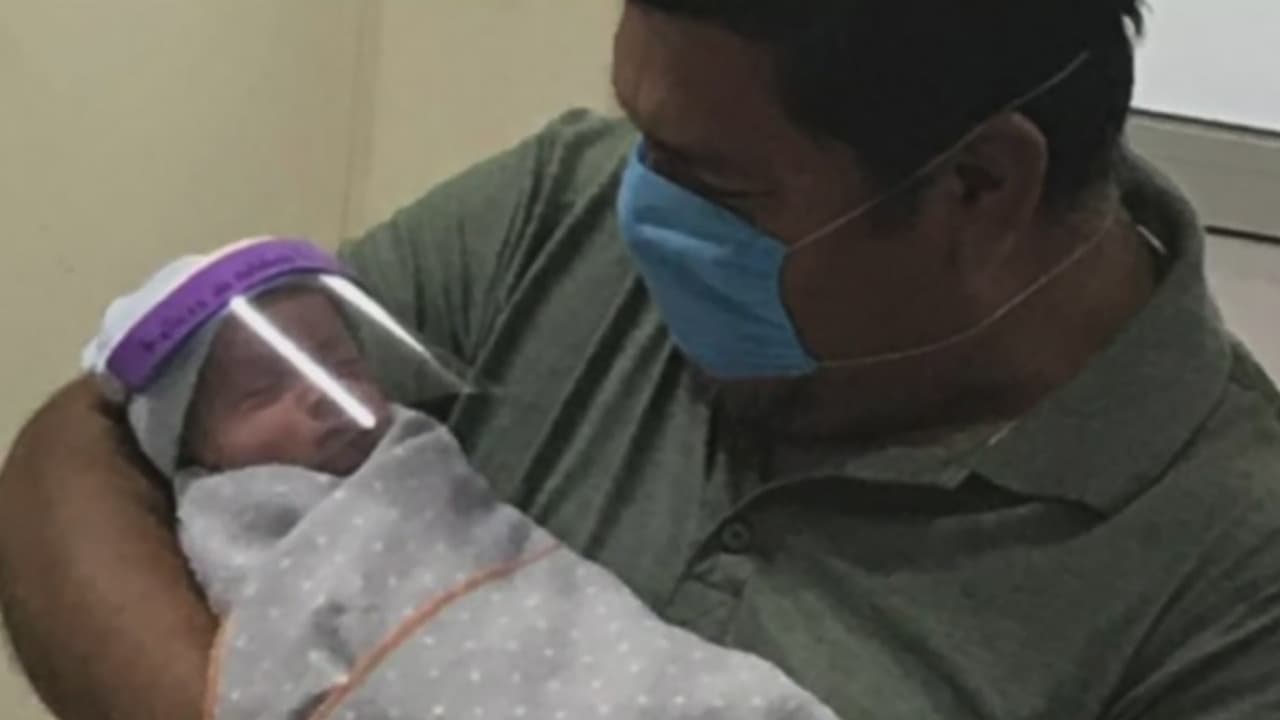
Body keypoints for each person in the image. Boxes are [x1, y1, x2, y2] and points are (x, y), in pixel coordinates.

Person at [3, 1, 1279, 718]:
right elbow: (93, 441)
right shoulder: (559, 206)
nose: (638, 208)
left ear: (977, 186)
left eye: (711, 182)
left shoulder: (1230, 592)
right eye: (642, 140)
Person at [86, 237, 839, 720]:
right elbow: (275, 647)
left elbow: (526, 590)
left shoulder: (411, 459)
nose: (321, 391)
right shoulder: (228, 516)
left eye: (341, 362)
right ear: (192, 448)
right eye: (261, 391)